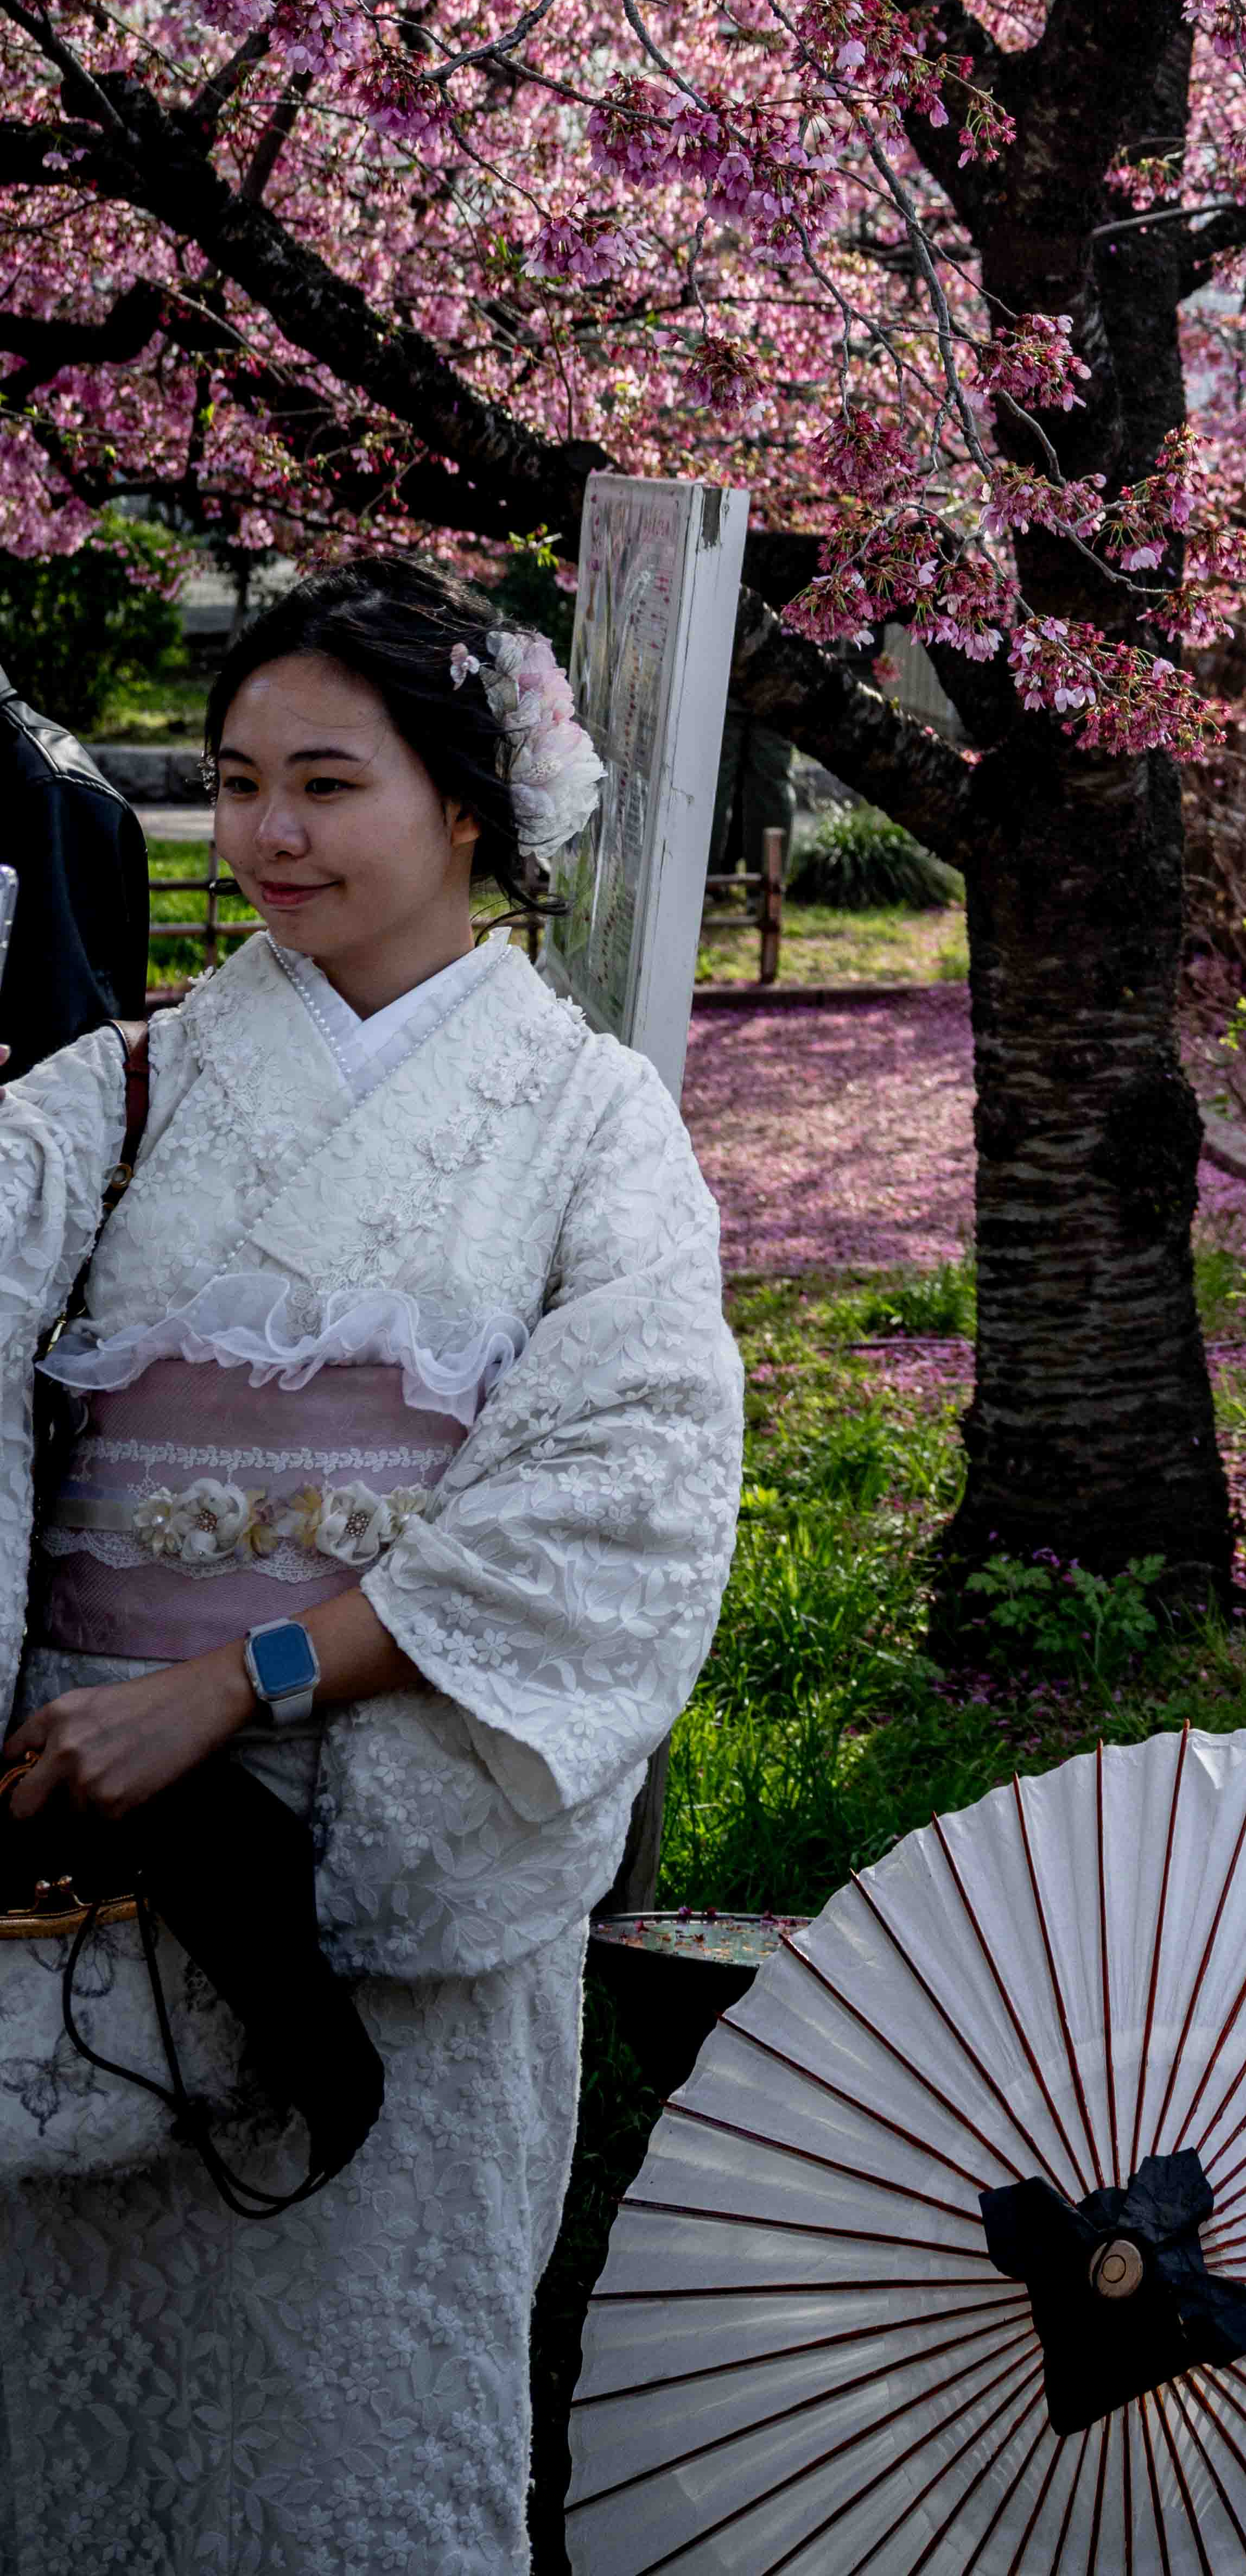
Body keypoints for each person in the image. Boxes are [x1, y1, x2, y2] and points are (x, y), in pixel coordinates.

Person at [0, 557, 743, 2576]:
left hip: (388, 1852)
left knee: (359, 2453)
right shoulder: (117, 1094)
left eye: (329, 783)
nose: (268, 835)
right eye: (238, 783)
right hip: (91, 1867)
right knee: (82, 2457)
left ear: (468, 809)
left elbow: (631, 1482)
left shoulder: (588, 1122)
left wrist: (239, 1678)